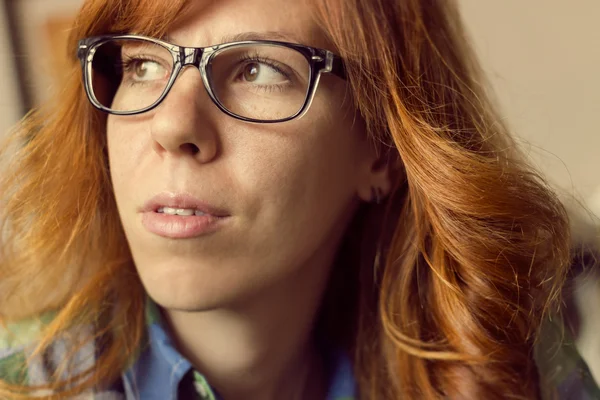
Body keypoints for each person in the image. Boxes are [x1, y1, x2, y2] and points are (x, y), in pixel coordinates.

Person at [0, 0, 577, 398]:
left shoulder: (502, 367)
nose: (171, 126)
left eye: (258, 69)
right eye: (143, 64)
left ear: (381, 151)